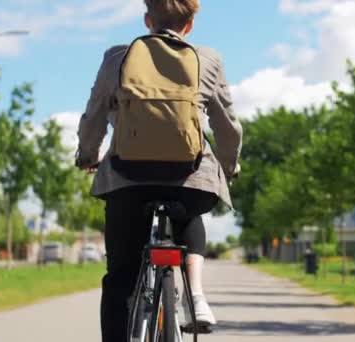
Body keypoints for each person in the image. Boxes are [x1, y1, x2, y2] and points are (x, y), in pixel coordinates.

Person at [75, 1, 242, 341]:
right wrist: (227, 166)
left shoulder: (116, 58)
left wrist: (87, 154)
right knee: (189, 209)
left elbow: (94, 116)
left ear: (147, 20)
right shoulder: (207, 59)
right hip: (190, 178)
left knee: (121, 276)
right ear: (190, 25)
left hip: (126, 179)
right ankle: (195, 294)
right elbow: (228, 128)